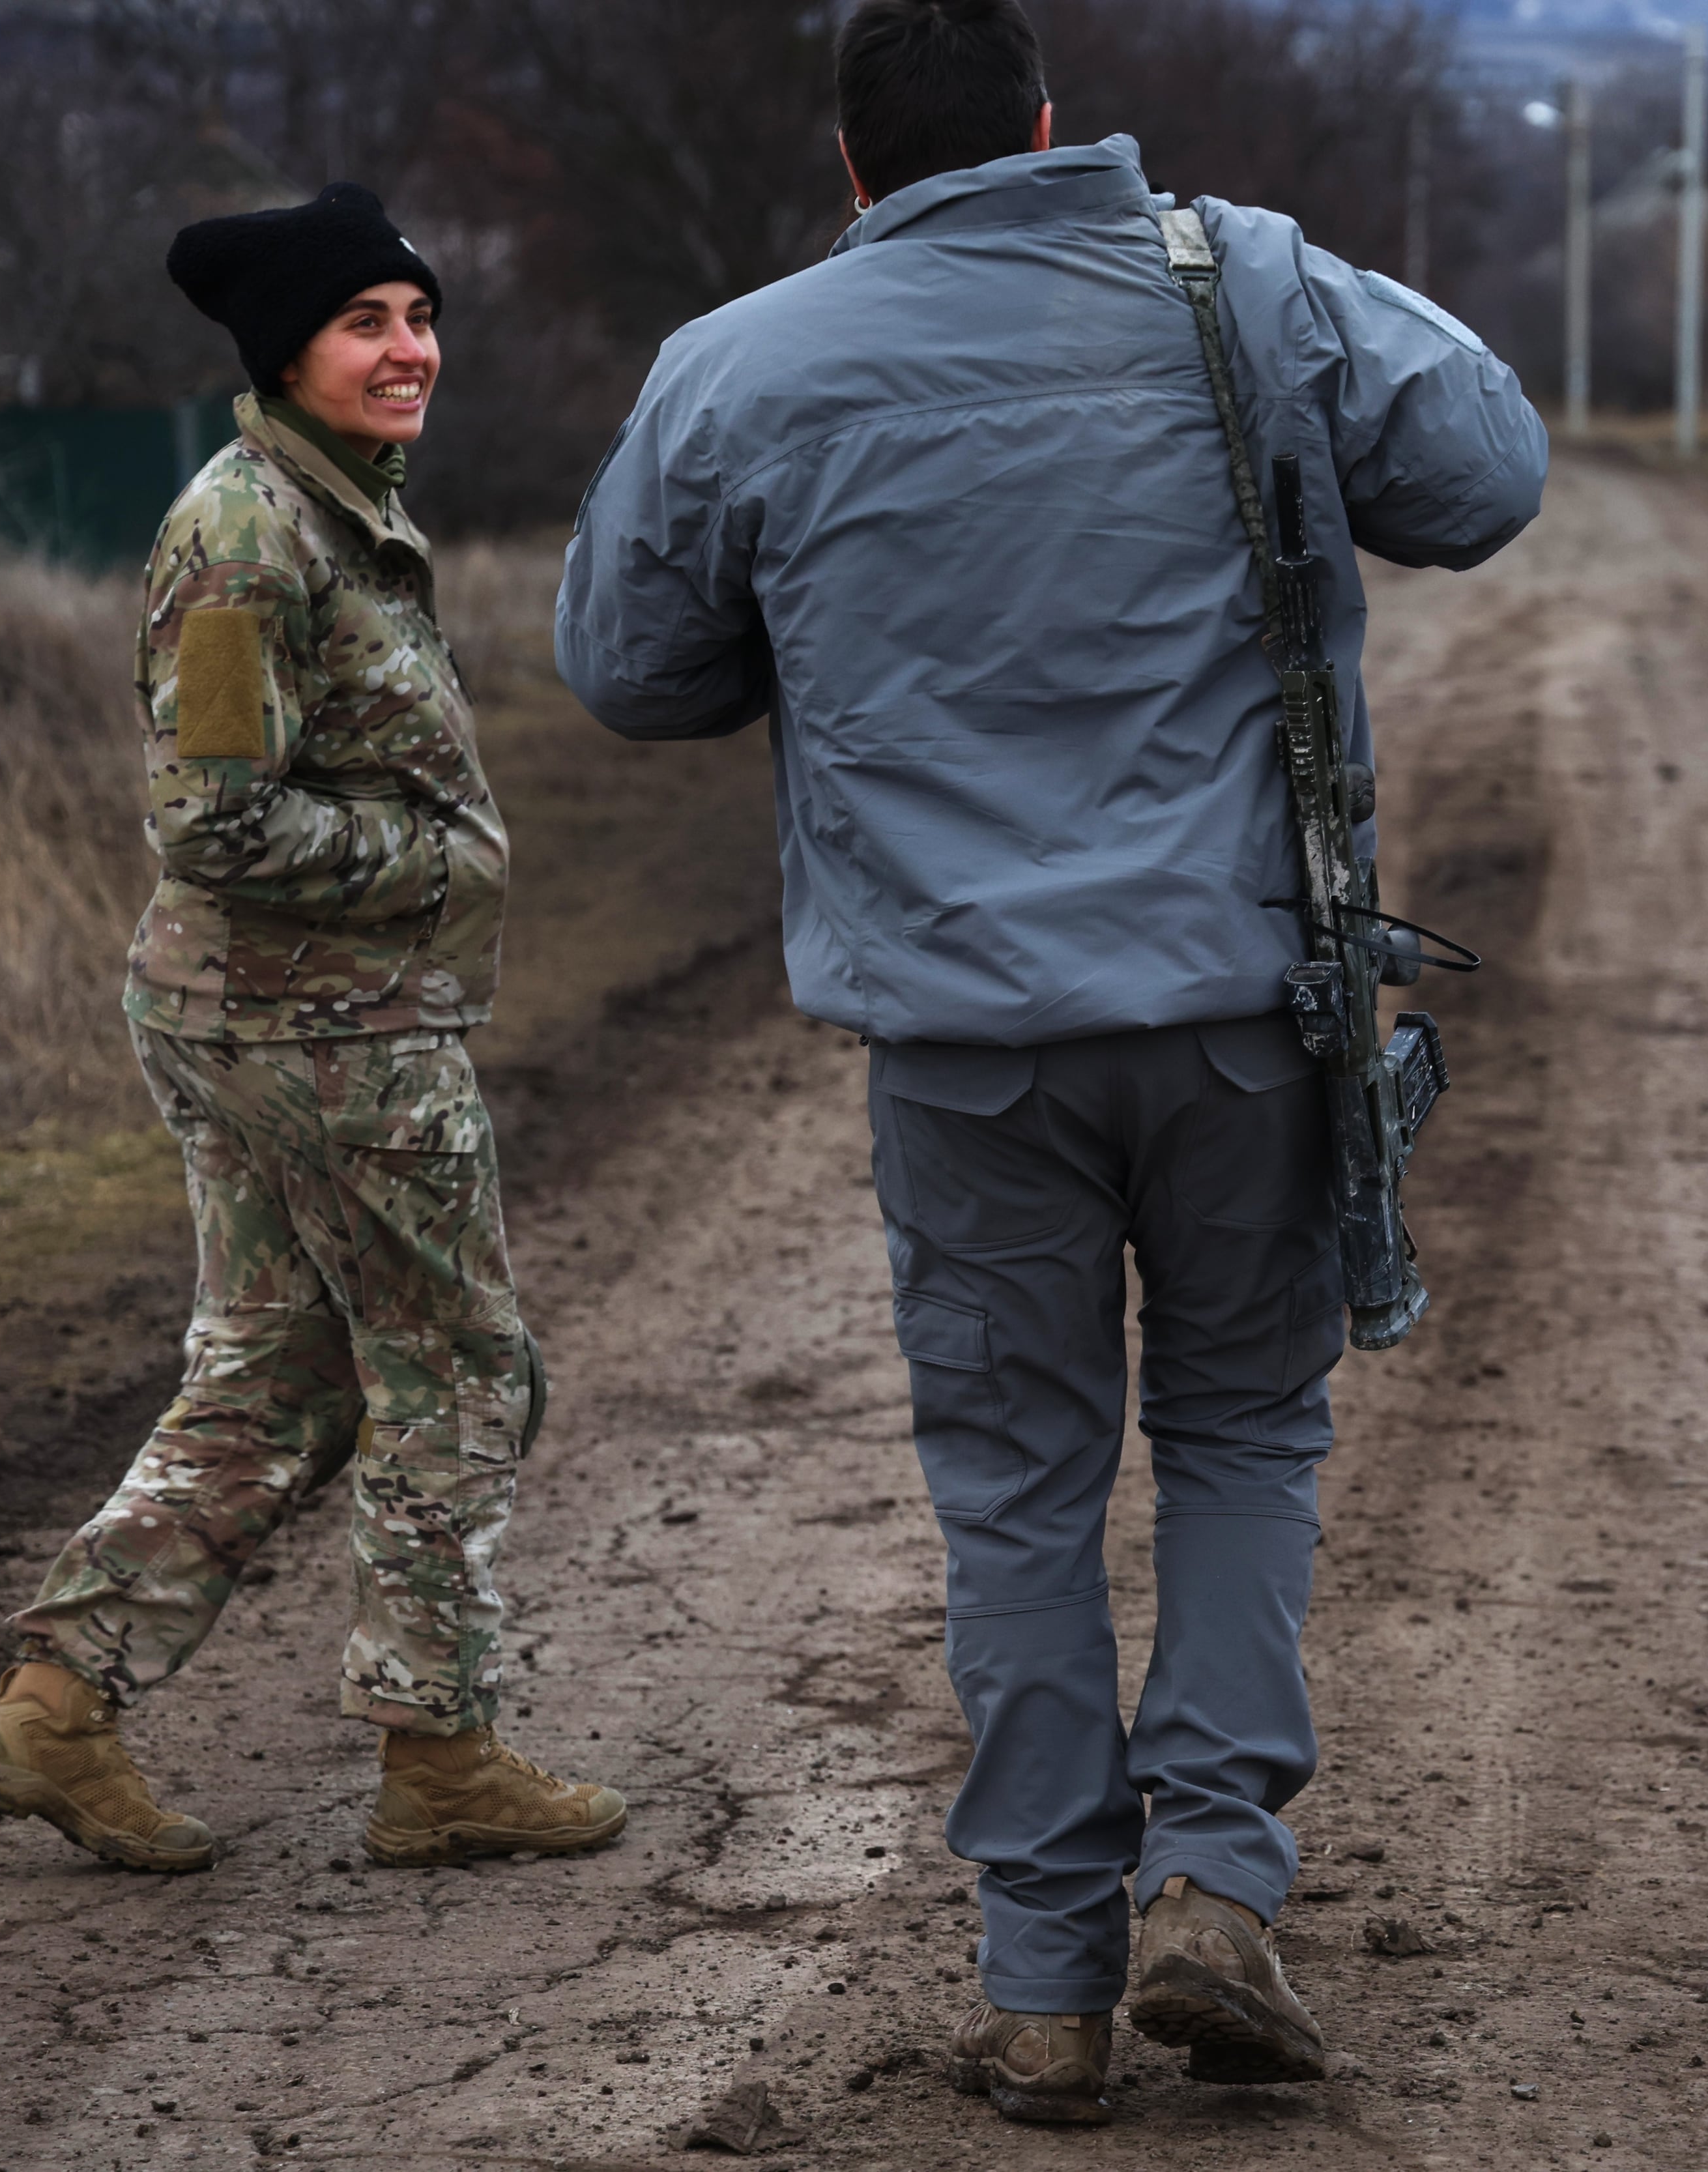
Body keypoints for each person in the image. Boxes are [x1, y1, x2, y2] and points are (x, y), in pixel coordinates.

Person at [554, 0, 1545, 2123]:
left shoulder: (739, 365)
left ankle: (1040, 1990)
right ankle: (1215, 1884)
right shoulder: (1243, 281)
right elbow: (1486, 477)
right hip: (1242, 1021)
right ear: (1045, 123)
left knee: (1014, 1490)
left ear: (853, 167)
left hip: (962, 1050)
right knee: (1244, 1435)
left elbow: (629, 669)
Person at [0, 183, 624, 1876]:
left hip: (270, 1019)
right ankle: (439, 1753)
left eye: (419, 317)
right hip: (321, 1032)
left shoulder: (334, 512)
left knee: (281, 1372)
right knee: (461, 1369)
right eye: (363, 324)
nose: (410, 352)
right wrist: (434, 862)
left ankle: (53, 1712)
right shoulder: (250, 538)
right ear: (286, 352)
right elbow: (214, 821)